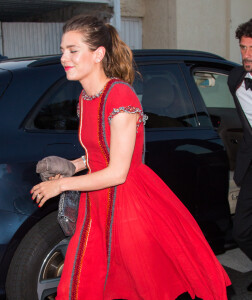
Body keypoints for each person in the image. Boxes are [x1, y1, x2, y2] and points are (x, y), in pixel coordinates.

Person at [31, 15, 231, 300]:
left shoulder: (120, 96)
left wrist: (61, 186)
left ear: (98, 53)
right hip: (97, 202)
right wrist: (72, 166)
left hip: (128, 203)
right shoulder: (85, 99)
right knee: (84, 279)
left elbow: (118, 172)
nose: (64, 58)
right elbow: (100, 152)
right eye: (63, 50)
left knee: (138, 285)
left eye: (73, 50)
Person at [227, 18, 252, 292]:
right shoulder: (235, 79)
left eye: (251, 48)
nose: (246, 54)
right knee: (242, 230)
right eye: (243, 48)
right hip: (251, 165)